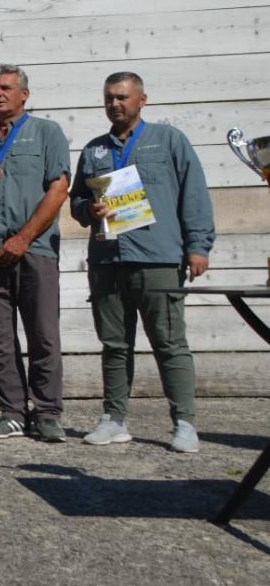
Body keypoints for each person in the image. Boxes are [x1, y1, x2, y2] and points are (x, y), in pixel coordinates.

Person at [70, 72, 215, 453]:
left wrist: (198, 246)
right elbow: (76, 203)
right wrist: (89, 206)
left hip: (157, 258)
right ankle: (114, 419)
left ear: (142, 100)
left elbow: (194, 192)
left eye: (121, 97)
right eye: (108, 98)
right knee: (114, 344)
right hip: (107, 259)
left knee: (169, 342)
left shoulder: (168, 140)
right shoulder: (93, 150)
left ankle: (184, 423)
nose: (114, 104)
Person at [0, 64, 71, 444]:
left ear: (25, 94)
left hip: (35, 251)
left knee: (43, 335)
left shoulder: (46, 132)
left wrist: (23, 238)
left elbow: (58, 190)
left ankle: (47, 413)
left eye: (6, 87)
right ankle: (11, 413)